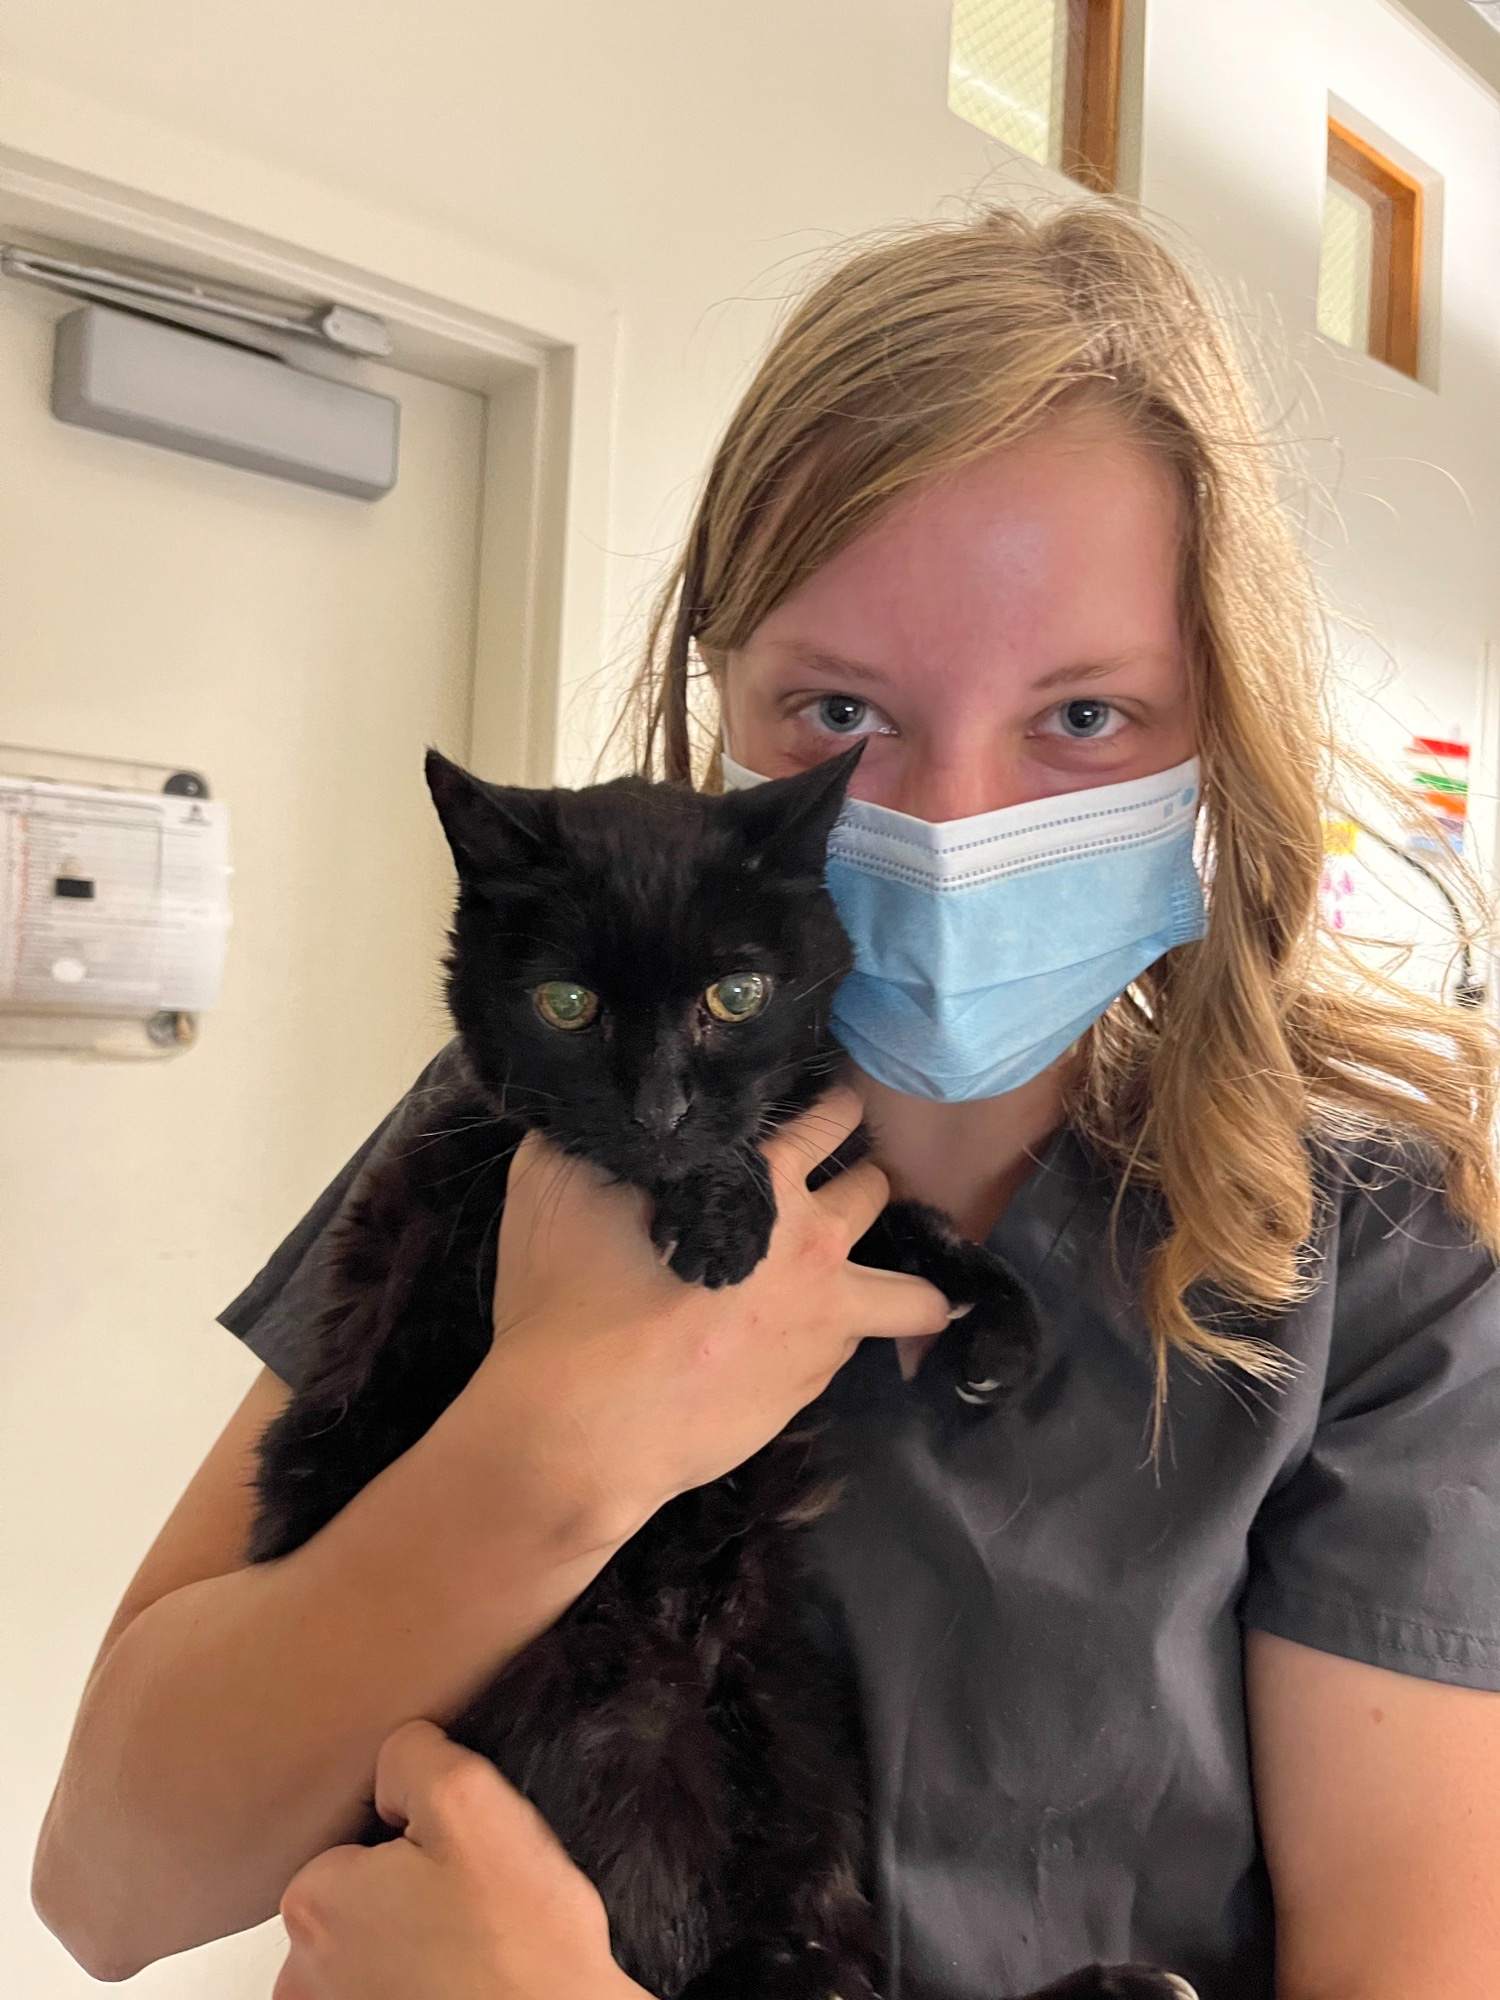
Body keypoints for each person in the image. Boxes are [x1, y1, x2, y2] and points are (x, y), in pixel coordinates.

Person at [32, 201, 1500, 2000]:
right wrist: (555, 1446)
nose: (951, 820)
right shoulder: (517, 1130)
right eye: (838, 712)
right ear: (721, 697)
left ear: (1224, 719)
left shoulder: (1393, 1251)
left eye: (1086, 719)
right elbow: (111, 1884)